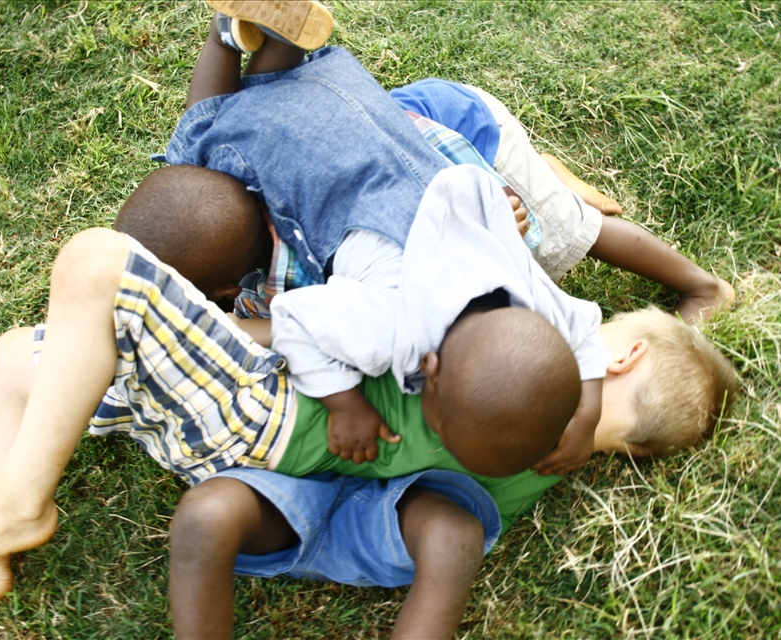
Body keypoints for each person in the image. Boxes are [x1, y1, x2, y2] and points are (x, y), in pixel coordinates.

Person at [0, 226, 737, 638]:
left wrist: (231, 326)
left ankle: (17, 505)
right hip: (249, 440)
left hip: (267, 412)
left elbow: (342, 326)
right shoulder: (536, 462)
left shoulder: (513, 357)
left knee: (98, 264)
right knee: (18, 360)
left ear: (623, 354)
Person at [157, 6, 612, 472]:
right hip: (307, 157)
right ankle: (222, 36)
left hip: (356, 112)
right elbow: (295, 323)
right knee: (203, 137)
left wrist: (588, 413)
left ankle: (279, 39)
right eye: (442, 433)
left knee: (278, 92)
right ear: (429, 371)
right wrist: (345, 405)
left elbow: (582, 329)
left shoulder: (522, 288)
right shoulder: (387, 325)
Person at [390, 79, 736, 325]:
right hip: (441, 124)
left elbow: (460, 170)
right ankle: (543, 173)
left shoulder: (398, 145)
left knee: (566, 232)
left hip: (473, 137)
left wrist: (498, 208)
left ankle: (705, 288)